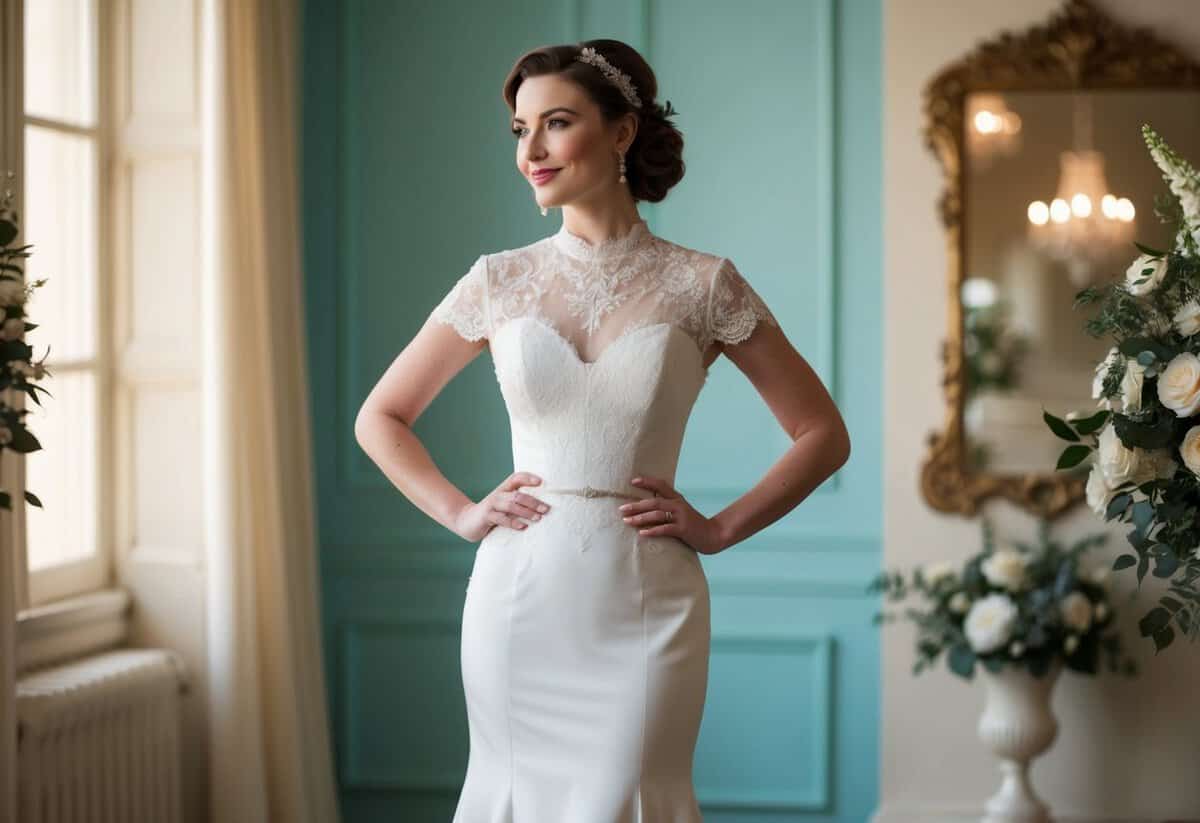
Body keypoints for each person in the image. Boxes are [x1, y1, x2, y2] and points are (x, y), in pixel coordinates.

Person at [353, 38, 852, 823]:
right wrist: (460, 513)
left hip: (645, 598)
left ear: (622, 133)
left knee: (630, 798)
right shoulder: (498, 279)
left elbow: (822, 433)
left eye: (556, 123)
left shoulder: (702, 283)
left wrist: (718, 528)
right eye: (520, 130)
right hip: (517, 598)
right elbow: (379, 417)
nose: (532, 151)